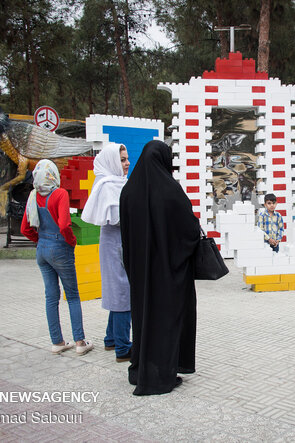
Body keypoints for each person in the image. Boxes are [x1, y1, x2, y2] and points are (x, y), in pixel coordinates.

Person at [120, 140, 201, 396]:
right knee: (166, 321)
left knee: (143, 319)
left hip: (140, 274)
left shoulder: (129, 191)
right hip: (168, 274)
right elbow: (190, 230)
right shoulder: (170, 191)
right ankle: (161, 376)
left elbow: (125, 237)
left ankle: (140, 370)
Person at [21, 160, 94, 356]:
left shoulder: (33, 196)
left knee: (51, 297)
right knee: (72, 295)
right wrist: (71, 242)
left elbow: (25, 228)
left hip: (42, 249)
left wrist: (40, 241)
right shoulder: (59, 193)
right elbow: (64, 225)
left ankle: (57, 342)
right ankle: (80, 342)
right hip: (60, 247)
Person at [81, 144, 132, 363]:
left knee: (116, 290)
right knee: (123, 293)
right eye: (122, 159)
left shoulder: (114, 182)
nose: (127, 163)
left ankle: (111, 339)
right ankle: (123, 347)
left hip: (115, 242)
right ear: (112, 162)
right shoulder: (110, 185)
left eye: (127, 158)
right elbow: (119, 218)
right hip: (116, 243)